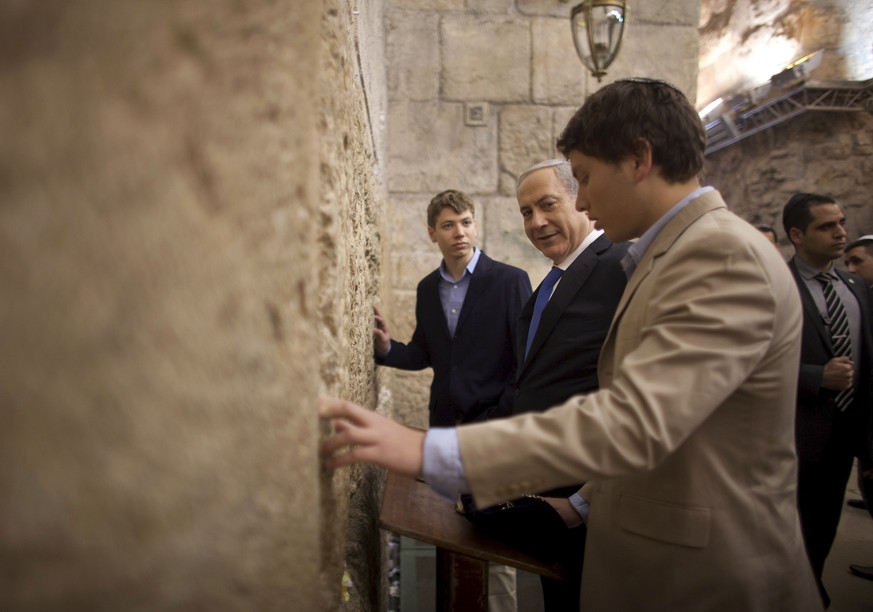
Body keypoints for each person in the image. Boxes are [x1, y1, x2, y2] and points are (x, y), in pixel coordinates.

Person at [321, 78, 822, 611]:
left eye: (584, 178)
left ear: (638, 159)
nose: (582, 199)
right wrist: (586, 503)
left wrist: (432, 452)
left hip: (703, 579)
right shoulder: (670, 256)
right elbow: (679, 421)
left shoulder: (719, 255)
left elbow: (638, 420)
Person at [461, 159, 628, 611]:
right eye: (525, 212)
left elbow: (639, 399)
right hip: (545, 497)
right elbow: (531, 385)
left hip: (594, 507)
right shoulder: (552, 283)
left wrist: (582, 502)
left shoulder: (619, 266)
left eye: (547, 205)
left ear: (580, 199)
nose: (536, 222)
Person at [372, 188, 531, 611]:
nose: (459, 232)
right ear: (432, 234)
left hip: (492, 432)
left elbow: (524, 363)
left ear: (474, 226)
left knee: (496, 546)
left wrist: (502, 416)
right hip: (444, 429)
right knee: (449, 535)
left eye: (465, 222)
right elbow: (425, 354)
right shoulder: (428, 290)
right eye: (448, 225)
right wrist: (387, 349)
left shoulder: (509, 280)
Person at [783, 193, 873, 607]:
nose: (840, 233)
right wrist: (817, 377)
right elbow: (750, 366)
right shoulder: (778, 288)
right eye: (826, 226)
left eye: (840, 222)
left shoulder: (856, 288)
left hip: (846, 435)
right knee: (789, 534)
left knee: (823, 529)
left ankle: (811, 590)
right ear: (797, 235)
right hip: (794, 437)